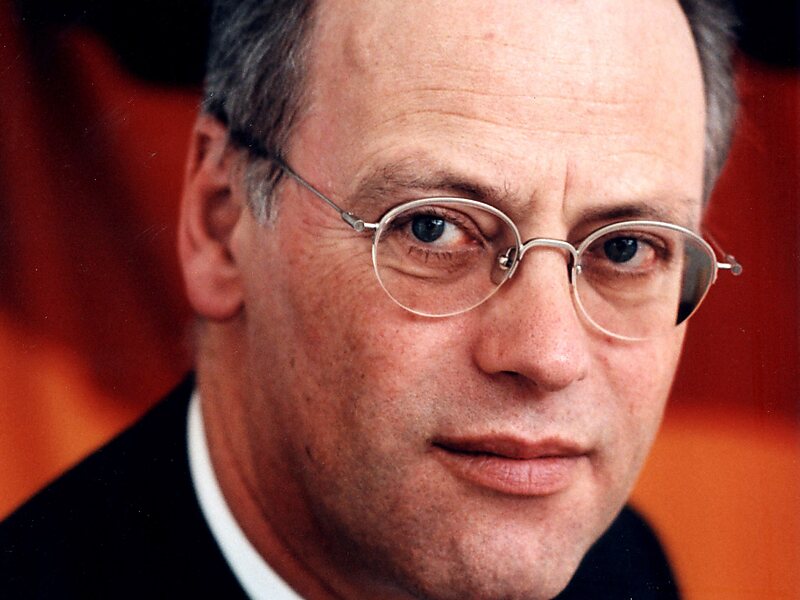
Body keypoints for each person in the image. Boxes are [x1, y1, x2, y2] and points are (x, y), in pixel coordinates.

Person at [0, 0, 742, 598]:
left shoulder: (622, 570)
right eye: (433, 227)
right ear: (223, 222)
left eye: (626, 248)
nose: (548, 356)